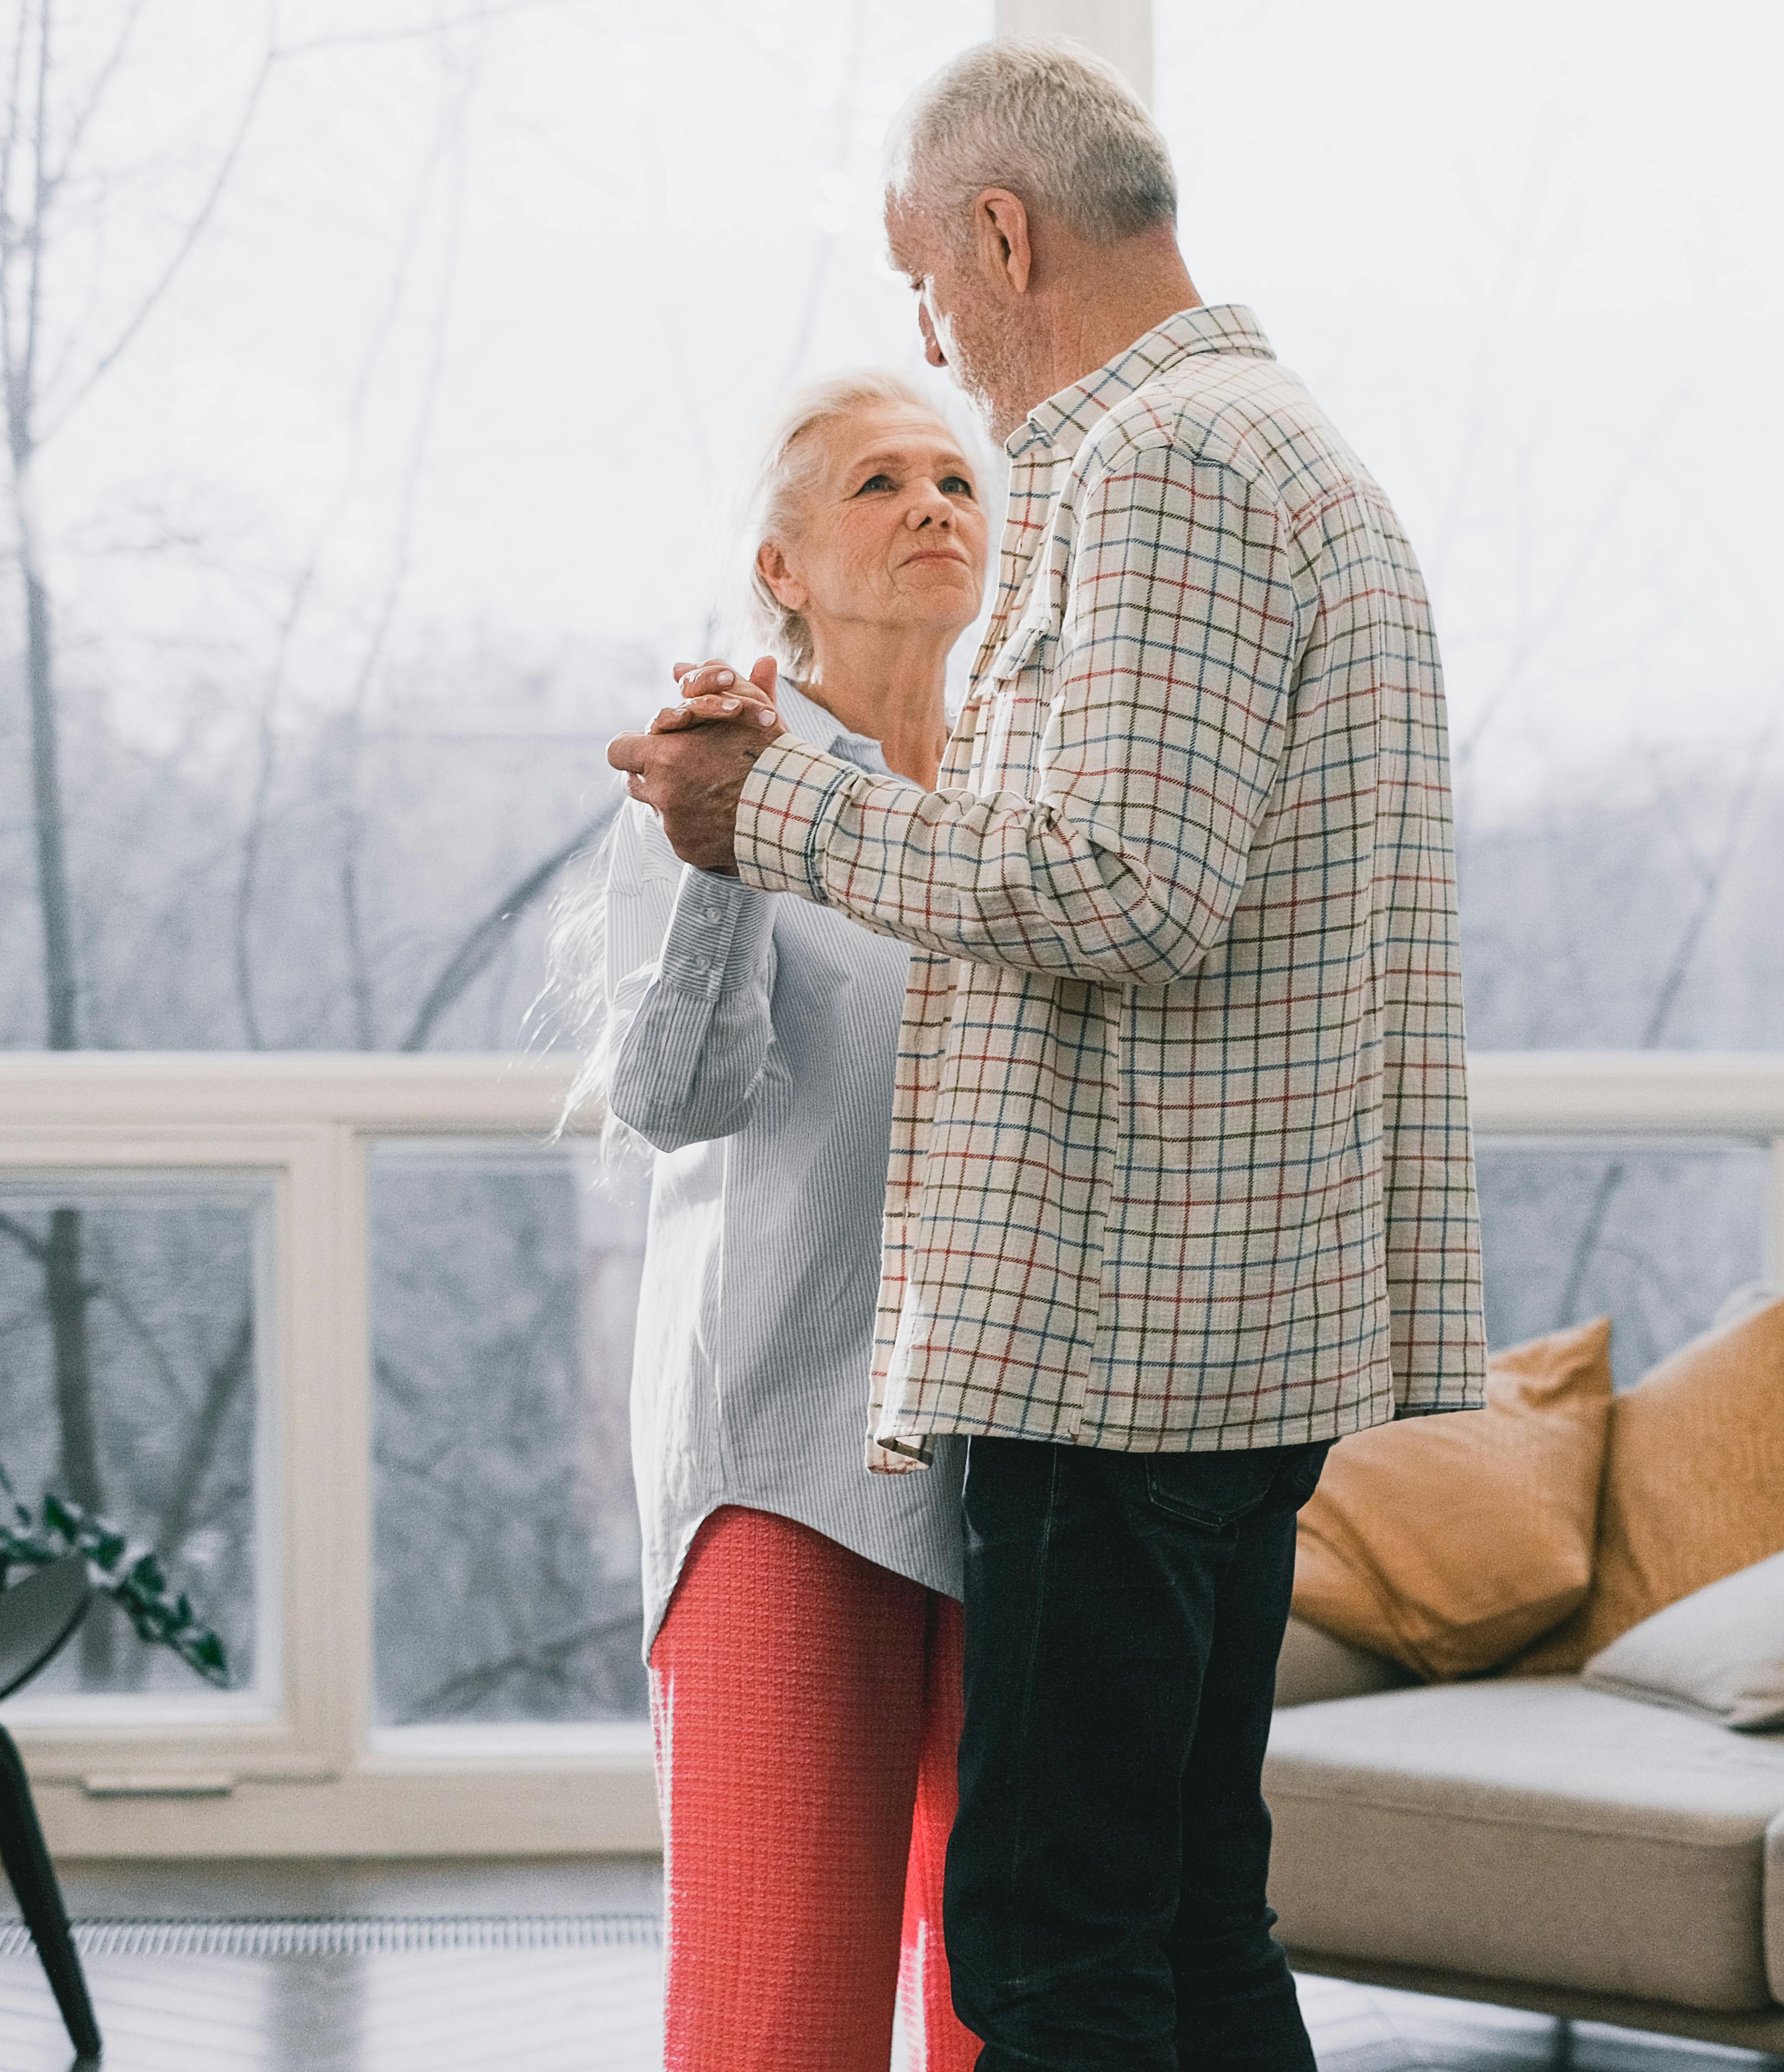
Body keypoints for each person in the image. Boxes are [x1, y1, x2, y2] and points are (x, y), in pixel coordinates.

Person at [614, 36, 1489, 2072]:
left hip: (1127, 1348)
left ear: (1000, 235)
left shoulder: (1167, 462)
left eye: (929, 282)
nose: (937, 346)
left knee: (1051, 1949)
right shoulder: (1293, 449)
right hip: (1229, 1338)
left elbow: (1125, 890)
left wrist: (777, 817)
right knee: (1180, 1917)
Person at [560, 370, 990, 2072]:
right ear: (784, 563)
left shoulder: (1027, 793)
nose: (932, 505)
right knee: (774, 2013)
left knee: (1000, 2001)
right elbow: (670, 1100)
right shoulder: (709, 773)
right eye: (879, 482)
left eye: (957, 478)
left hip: (1020, 1458)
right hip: (782, 1452)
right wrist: (729, 844)